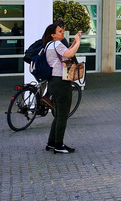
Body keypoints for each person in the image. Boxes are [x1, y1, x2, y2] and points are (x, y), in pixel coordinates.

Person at [43, 20, 81, 154]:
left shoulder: (49, 45)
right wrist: (78, 42)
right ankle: (59, 145)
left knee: (58, 115)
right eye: (59, 31)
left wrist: (74, 42)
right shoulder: (57, 43)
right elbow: (70, 54)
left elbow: (66, 52)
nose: (62, 33)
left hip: (53, 82)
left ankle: (51, 143)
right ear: (53, 34)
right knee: (63, 116)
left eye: (62, 30)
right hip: (61, 83)